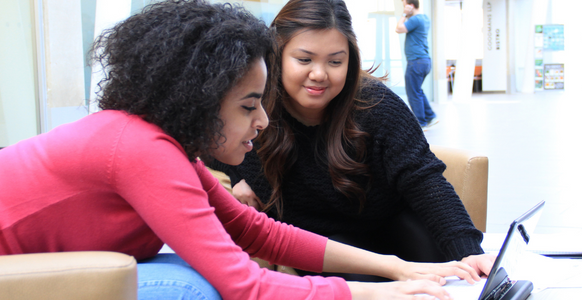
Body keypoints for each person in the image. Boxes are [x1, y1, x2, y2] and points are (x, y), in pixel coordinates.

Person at [0, 1, 482, 299]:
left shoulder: (159, 144)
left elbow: (258, 231)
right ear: (198, 99)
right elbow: (245, 283)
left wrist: (398, 269)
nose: (262, 121)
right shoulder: (141, 150)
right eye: (246, 106)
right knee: (200, 287)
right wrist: (386, 297)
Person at [208, 0, 494, 283]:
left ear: (350, 60)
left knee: (452, 274)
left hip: (388, 225)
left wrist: (469, 252)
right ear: (276, 55)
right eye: (304, 59)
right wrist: (237, 175)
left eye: (335, 61)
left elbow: (424, 180)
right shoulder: (254, 107)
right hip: (320, 242)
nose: (319, 74)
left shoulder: (377, 106)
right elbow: (203, 142)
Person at [395, 0, 436, 128]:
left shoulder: (416, 20)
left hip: (416, 61)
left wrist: (404, 14)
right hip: (424, 61)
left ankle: (420, 123)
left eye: (405, 5)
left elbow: (398, 29)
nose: (404, 8)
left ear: (411, 6)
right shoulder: (425, 19)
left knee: (413, 93)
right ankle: (431, 116)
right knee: (417, 91)